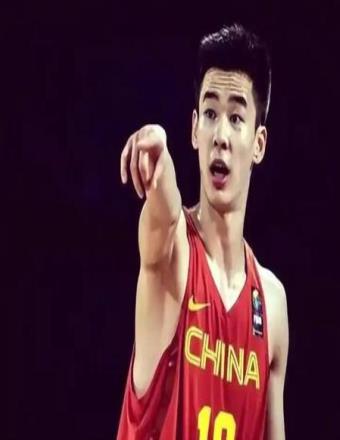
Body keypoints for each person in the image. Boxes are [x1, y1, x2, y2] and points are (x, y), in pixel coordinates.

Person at [117, 23, 289, 439]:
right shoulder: (174, 256)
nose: (221, 136)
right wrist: (158, 151)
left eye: (236, 117)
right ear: (194, 129)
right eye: (210, 114)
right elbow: (164, 209)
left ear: (259, 144)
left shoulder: (271, 305)